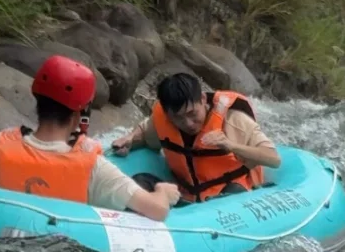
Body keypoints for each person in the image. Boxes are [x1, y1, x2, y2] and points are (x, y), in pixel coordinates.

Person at [0, 56, 180, 220]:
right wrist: (162, 192)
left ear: (38, 100)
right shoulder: (94, 167)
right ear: (78, 114)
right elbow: (156, 210)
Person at [112, 71, 280, 204]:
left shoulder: (234, 120)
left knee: (233, 192)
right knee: (139, 182)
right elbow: (144, 132)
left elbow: (273, 159)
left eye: (192, 113)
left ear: (203, 99)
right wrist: (129, 139)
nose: (188, 123)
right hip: (187, 199)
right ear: (167, 113)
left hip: (230, 195)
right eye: (178, 118)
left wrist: (231, 145)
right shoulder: (164, 121)